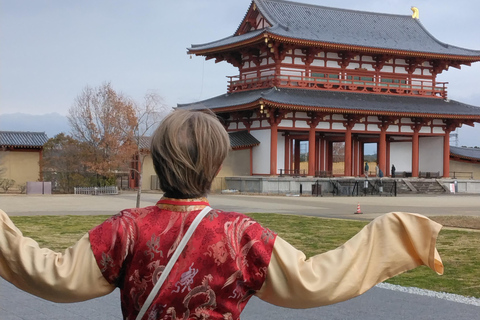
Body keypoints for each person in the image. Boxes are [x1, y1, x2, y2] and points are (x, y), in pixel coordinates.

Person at [0, 109, 443, 319]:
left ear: (159, 160)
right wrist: (393, 233)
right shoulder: (241, 236)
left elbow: (52, 276)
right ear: (215, 167)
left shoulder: (125, 231)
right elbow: (315, 280)